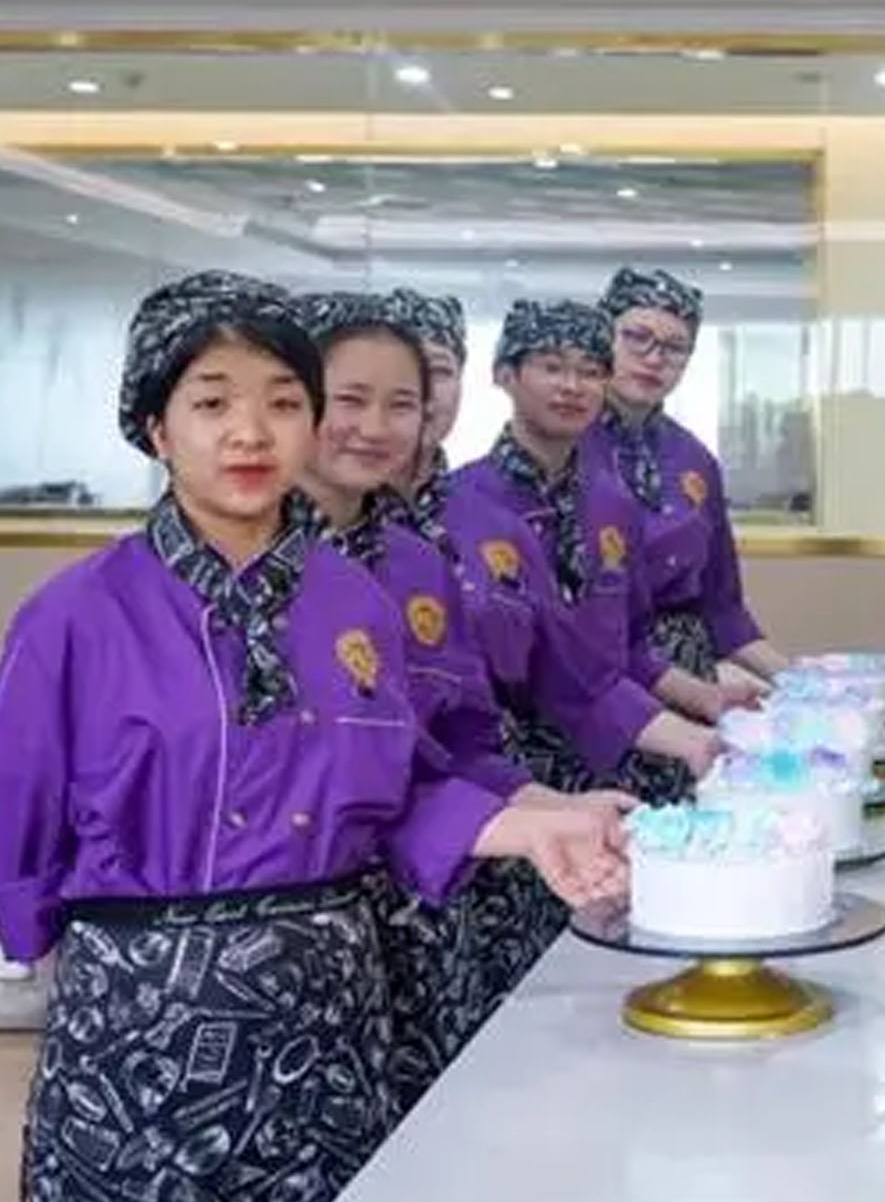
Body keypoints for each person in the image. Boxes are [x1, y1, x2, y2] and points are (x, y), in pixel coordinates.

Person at [0, 272, 623, 1202]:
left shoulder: (358, 603)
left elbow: (402, 793)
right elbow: (19, 831)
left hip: (328, 1013)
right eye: (213, 402)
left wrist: (534, 827)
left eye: (283, 402)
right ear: (156, 427)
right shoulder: (75, 616)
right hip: (137, 1028)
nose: (251, 432)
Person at [295, 291, 628, 1112]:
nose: (376, 426)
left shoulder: (416, 561)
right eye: (349, 400)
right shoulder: (231, 578)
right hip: (288, 935)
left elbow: (465, 740)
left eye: (403, 401)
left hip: (430, 905)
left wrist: (557, 809)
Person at [387, 288, 736, 992]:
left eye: (436, 373)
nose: (418, 399)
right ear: (508, 374)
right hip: (389, 836)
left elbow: (581, 674)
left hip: (519, 794)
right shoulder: (321, 550)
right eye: (552, 365)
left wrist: (699, 733)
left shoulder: (489, 528)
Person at [458, 298, 720, 805]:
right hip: (506, 774)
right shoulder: (463, 503)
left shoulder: (611, 504)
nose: (572, 387)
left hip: (621, 752)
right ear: (504, 375)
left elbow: (630, 646)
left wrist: (703, 706)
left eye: (591, 371)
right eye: (551, 367)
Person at [587, 266, 789, 684]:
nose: (655, 358)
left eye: (675, 347)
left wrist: (800, 680)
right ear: (603, 337)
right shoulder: (563, 447)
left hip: (694, 680)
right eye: (637, 337)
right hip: (595, 677)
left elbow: (723, 608)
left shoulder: (693, 460)